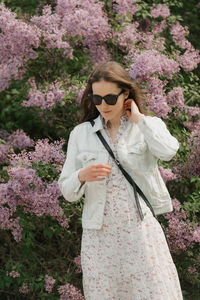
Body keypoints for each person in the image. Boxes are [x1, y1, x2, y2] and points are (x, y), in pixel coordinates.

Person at [58, 61, 183, 300]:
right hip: (99, 235)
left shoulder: (146, 125)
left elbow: (168, 151)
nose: (103, 105)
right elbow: (67, 190)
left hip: (139, 230)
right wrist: (82, 176)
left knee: (152, 292)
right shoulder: (81, 134)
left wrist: (139, 120)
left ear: (125, 94)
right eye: (97, 99)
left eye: (110, 98)